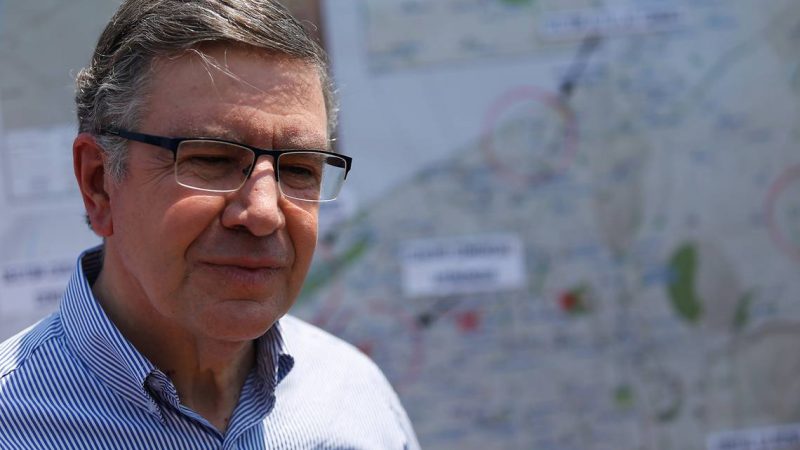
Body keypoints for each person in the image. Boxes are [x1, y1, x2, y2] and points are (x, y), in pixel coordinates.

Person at [0, 1, 420, 448]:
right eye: (212, 160)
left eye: (300, 169)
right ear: (99, 181)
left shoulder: (355, 398)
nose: (263, 213)